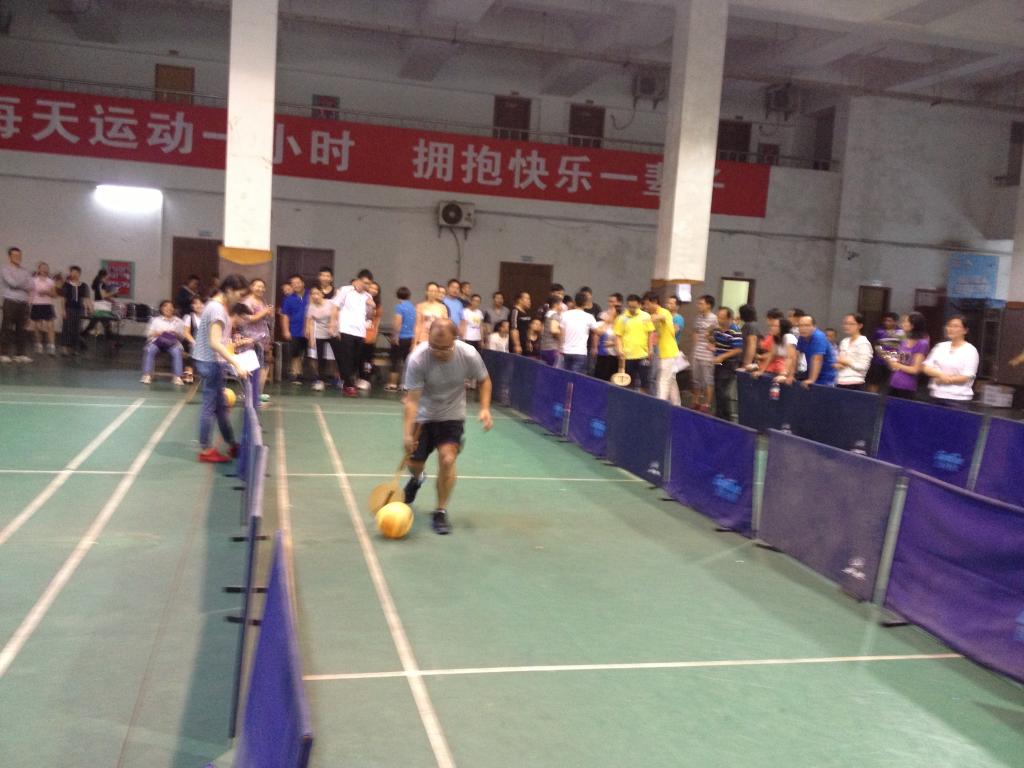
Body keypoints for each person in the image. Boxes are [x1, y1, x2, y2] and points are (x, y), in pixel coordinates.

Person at [402, 319, 493, 535]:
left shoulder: (468, 354)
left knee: (447, 459)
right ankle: (417, 477)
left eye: (444, 348)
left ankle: (440, 511)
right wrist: (407, 434)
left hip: (452, 416)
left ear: (455, 340)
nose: (438, 352)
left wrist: (485, 408)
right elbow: (412, 400)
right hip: (423, 417)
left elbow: (485, 380)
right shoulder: (417, 358)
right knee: (413, 463)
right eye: (434, 346)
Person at [192, 274, 250, 463]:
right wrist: (236, 363)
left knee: (220, 408)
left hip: (212, 362)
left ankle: (232, 444)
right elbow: (215, 343)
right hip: (211, 363)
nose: (240, 300)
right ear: (229, 290)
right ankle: (206, 450)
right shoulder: (217, 309)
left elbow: (221, 340)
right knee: (210, 408)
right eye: (240, 295)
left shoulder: (217, 306)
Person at [331, 269, 376, 396]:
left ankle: (346, 382)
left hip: (360, 332)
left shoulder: (368, 296)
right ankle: (349, 385)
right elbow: (335, 306)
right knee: (347, 357)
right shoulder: (345, 290)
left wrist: (372, 306)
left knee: (356, 359)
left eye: (369, 283)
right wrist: (333, 323)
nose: (367, 286)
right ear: (358, 280)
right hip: (346, 329)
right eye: (365, 282)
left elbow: (369, 316)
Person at [922, 315, 978, 408]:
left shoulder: (970, 350)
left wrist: (943, 380)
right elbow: (926, 367)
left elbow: (967, 376)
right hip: (936, 395)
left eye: (955, 326)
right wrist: (941, 375)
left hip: (958, 399)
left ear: (965, 330)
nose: (951, 329)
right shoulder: (940, 346)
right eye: (949, 326)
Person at [643, 292, 681, 404]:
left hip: (669, 353)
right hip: (666, 352)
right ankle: (677, 405)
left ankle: (661, 406)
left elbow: (662, 317)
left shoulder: (664, 312)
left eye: (647, 304)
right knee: (671, 381)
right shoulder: (655, 313)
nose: (646, 307)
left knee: (663, 381)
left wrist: (650, 318)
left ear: (654, 302)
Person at [240, 278, 274, 402]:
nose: (260, 289)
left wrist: (269, 314)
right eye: (257, 286)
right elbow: (250, 318)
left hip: (263, 337)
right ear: (251, 287)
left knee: (263, 365)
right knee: (251, 366)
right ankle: (248, 393)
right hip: (250, 338)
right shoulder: (246, 302)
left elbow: (266, 319)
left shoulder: (263, 301)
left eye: (262, 287)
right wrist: (265, 312)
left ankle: (258, 393)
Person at [614, 294, 654, 390]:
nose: (632, 309)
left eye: (634, 307)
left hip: (643, 355)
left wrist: (650, 349)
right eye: (630, 307)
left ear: (640, 305)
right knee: (629, 383)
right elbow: (618, 336)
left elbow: (650, 334)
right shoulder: (621, 318)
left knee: (645, 382)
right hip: (627, 356)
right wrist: (619, 349)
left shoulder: (646, 316)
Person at [140, 300, 186, 385]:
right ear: (161, 309)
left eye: (171, 307)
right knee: (149, 350)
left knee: (177, 351)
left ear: (173, 309)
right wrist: (158, 333)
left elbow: (182, 337)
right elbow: (148, 333)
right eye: (166, 306)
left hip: (172, 343)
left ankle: (177, 377)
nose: (168, 309)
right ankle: (147, 375)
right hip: (157, 342)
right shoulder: (155, 320)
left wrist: (176, 334)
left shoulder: (179, 321)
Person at [886, 312, 929, 399]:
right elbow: (896, 363)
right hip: (894, 382)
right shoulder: (904, 341)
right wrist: (891, 360)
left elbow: (915, 369)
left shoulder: (922, 343)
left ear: (913, 325)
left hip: (907, 386)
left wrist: (898, 365)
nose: (903, 324)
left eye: (906, 321)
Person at [305, 286, 339, 392]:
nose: (315, 296)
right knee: (320, 357)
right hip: (320, 333)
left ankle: (341, 379)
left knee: (338, 356)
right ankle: (320, 381)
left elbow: (336, 316)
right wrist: (311, 338)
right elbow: (310, 323)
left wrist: (333, 328)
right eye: (313, 294)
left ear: (322, 294)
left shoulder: (330, 303)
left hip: (333, 332)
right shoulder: (311, 307)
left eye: (317, 293)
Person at [712, 307, 743, 419]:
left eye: (722, 318)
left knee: (723, 390)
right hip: (718, 363)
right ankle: (719, 414)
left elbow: (738, 349)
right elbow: (715, 341)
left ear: (729, 318)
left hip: (729, 364)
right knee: (718, 388)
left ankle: (727, 417)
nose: (719, 320)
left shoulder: (735, 331)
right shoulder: (717, 329)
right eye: (718, 317)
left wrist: (722, 356)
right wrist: (713, 347)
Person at [279, 274, 309, 384]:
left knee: (308, 354)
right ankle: (295, 374)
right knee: (295, 353)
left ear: (303, 283)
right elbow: (285, 316)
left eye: (298, 282)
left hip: (310, 330)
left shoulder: (311, 294)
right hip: (295, 330)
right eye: (293, 283)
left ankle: (308, 374)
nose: (296, 285)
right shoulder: (288, 299)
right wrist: (286, 330)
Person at [559, 291, 598, 373]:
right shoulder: (589, 317)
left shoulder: (565, 314)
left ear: (574, 301)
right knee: (576, 378)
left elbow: (561, 333)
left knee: (564, 376)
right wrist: (608, 322)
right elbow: (597, 332)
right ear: (586, 303)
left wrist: (560, 347)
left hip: (565, 350)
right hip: (580, 352)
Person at [387, 286, 417, 392]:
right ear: (408, 296)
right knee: (407, 362)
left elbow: (398, 322)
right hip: (410, 338)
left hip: (400, 338)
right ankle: (406, 384)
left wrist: (395, 336)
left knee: (394, 361)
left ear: (397, 295)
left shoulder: (399, 307)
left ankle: (392, 384)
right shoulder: (413, 308)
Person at [691, 294, 717, 412]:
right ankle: (695, 401)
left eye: (701, 304)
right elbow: (696, 332)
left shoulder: (714, 319)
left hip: (708, 355)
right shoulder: (698, 318)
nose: (698, 306)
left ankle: (707, 404)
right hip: (697, 353)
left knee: (707, 380)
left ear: (709, 305)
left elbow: (718, 336)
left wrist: (712, 343)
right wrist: (695, 347)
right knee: (696, 379)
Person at [796, 315, 837, 388]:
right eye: (800, 326)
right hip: (811, 372)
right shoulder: (802, 338)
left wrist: (812, 379)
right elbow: (795, 356)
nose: (803, 328)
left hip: (827, 377)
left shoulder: (819, 337)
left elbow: (817, 359)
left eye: (807, 325)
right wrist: (789, 374)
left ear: (814, 327)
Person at [866, 312, 904, 392]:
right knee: (874, 382)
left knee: (890, 384)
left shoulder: (901, 332)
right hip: (878, 361)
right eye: (885, 320)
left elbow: (903, 346)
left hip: (893, 362)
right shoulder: (879, 331)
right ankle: (871, 398)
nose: (886, 322)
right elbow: (875, 344)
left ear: (895, 322)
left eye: (889, 321)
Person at [834, 313, 873, 390]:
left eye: (851, 324)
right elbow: (840, 360)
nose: (847, 326)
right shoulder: (844, 341)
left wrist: (846, 362)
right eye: (845, 323)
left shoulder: (863, 343)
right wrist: (837, 364)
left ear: (860, 326)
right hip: (839, 380)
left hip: (855, 383)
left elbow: (863, 367)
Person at [60, 265, 90, 356]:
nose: (74, 274)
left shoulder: (83, 285)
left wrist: (89, 308)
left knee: (77, 329)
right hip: (69, 308)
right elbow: (63, 298)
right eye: (72, 272)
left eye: (76, 272)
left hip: (79, 309)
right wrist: (63, 310)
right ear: (70, 273)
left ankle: (75, 348)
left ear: (79, 274)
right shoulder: (66, 285)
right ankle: (65, 348)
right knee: (66, 328)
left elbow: (86, 298)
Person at [80, 268, 117, 344]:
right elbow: (103, 295)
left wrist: (110, 299)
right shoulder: (102, 284)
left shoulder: (98, 283)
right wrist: (114, 292)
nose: (108, 277)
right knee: (106, 324)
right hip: (102, 307)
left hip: (98, 306)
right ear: (104, 275)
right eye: (107, 275)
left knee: (94, 324)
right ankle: (111, 342)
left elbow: (100, 296)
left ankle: (81, 336)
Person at [29, 261, 57, 356]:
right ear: (39, 269)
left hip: (47, 305)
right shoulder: (33, 280)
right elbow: (30, 294)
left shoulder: (50, 281)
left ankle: (51, 346)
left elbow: (54, 295)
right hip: (36, 304)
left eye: (46, 268)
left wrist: (47, 292)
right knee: (37, 326)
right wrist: (28, 305)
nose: (45, 270)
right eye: (43, 268)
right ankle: (39, 345)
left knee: (50, 326)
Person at [360, 280, 384, 383]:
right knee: (359, 356)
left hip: (370, 333)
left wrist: (375, 334)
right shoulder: (361, 300)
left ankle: (367, 377)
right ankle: (359, 376)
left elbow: (377, 321)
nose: (373, 290)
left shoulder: (378, 306)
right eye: (372, 288)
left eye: (376, 289)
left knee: (368, 357)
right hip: (359, 332)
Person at [593, 302, 620, 381]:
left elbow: (623, 339)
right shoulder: (603, 324)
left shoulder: (619, 325)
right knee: (600, 376)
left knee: (611, 376)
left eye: (611, 312)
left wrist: (613, 343)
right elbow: (598, 333)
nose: (608, 313)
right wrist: (606, 323)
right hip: (602, 353)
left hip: (614, 354)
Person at [539, 295, 562, 366]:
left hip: (543, 347)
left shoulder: (546, 315)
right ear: (556, 304)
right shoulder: (555, 316)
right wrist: (561, 337)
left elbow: (541, 330)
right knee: (552, 370)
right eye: (560, 304)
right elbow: (554, 331)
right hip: (552, 348)